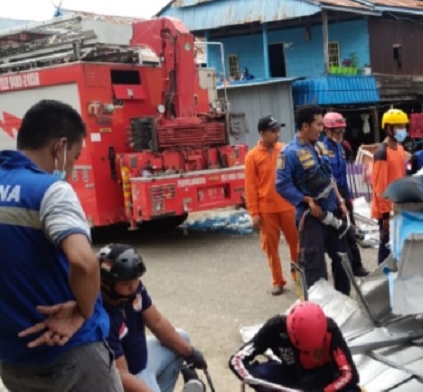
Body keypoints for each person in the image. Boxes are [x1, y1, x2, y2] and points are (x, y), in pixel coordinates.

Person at [0, 99, 122, 391]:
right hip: (73, 360)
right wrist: (82, 313)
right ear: (59, 147)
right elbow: (84, 263)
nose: (71, 170)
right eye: (73, 157)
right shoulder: (51, 191)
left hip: (13, 364)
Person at [97, 243, 207, 392]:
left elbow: (157, 322)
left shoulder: (133, 292)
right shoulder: (103, 318)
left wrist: (190, 353)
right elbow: (120, 376)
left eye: (136, 279)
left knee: (182, 339)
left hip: (142, 359)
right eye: (126, 283)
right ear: (105, 283)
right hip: (128, 377)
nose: (134, 286)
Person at [276, 104, 352, 295]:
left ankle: (343, 300)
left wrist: (340, 201)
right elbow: (281, 184)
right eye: (318, 124)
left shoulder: (320, 147)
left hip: (332, 211)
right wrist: (305, 200)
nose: (321, 128)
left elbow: (330, 177)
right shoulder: (289, 153)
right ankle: (320, 308)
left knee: (343, 258)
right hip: (311, 218)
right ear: (305, 126)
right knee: (315, 265)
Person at [228, 301, 360, 391]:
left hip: (324, 380)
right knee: (258, 372)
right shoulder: (275, 328)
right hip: (291, 377)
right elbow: (236, 360)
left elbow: (351, 375)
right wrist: (266, 388)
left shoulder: (330, 329)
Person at [245, 115, 300, 295]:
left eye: (278, 130)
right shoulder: (252, 157)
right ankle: (278, 281)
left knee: (296, 243)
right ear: (263, 133)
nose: (277, 134)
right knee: (271, 248)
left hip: (288, 206)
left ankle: (297, 275)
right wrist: (254, 213)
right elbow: (250, 187)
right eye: (273, 131)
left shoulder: (285, 150)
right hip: (267, 210)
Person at [322, 112, 369, 277]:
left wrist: (347, 198)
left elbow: (343, 177)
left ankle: (357, 266)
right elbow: (329, 179)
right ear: (327, 131)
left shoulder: (342, 148)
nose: (341, 135)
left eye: (343, 131)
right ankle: (345, 269)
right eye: (337, 132)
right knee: (339, 234)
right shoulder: (323, 150)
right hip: (332, 197)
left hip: (344, 193)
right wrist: (338, 201)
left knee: (351, 230)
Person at [371, 108, 409, 263]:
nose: (403, 130)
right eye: (398, 127)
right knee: (386, 245)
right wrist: (385, 215)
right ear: (388, 129)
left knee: (397, 244)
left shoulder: (399, 148)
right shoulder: (382, 153)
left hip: (398, 205)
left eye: (404, 126)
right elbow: (380, 187)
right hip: (386, 209)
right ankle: (381, 279)